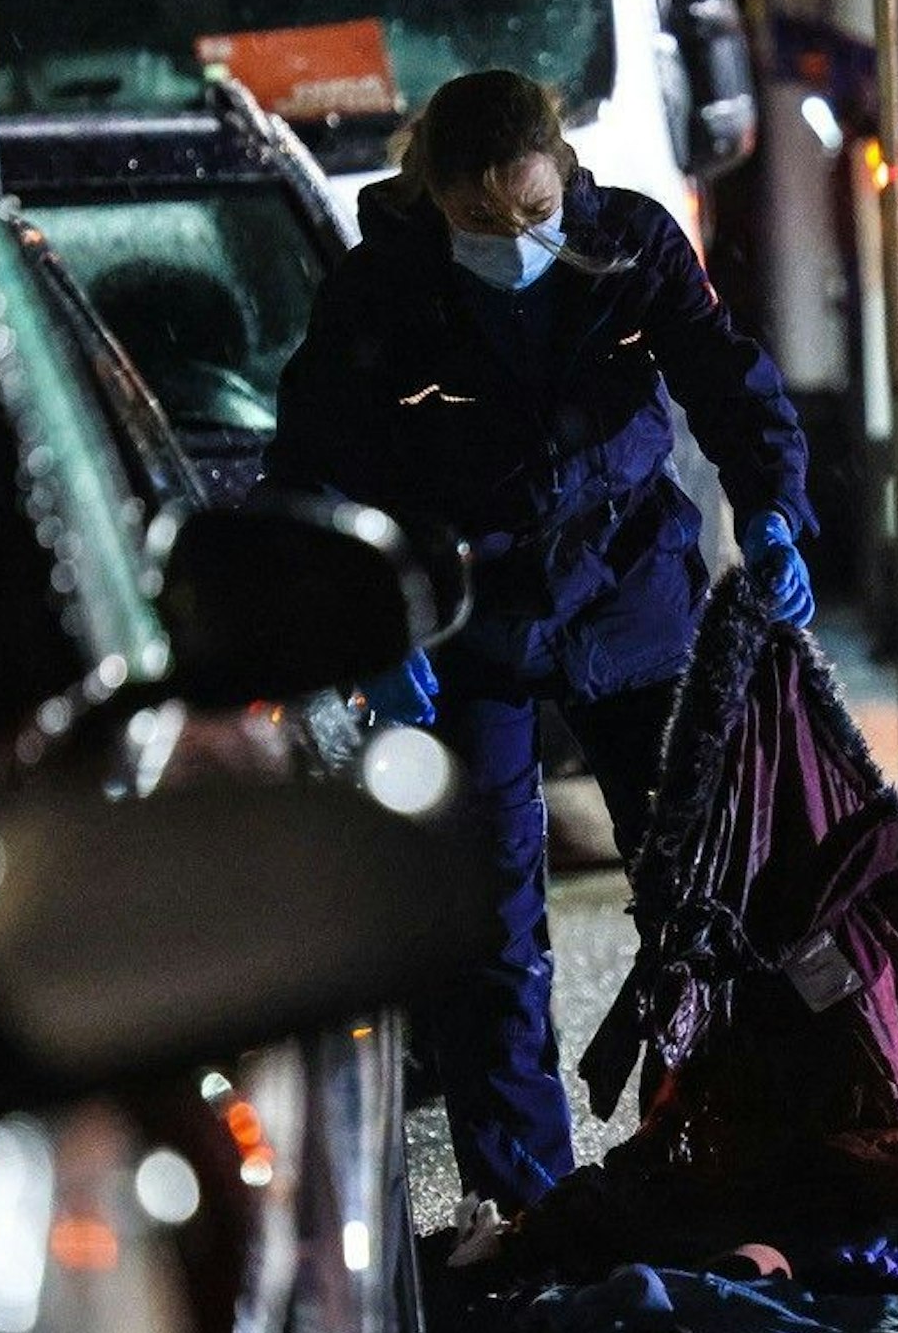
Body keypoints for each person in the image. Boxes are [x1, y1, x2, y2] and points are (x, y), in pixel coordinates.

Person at [267, 69, 817, 1211]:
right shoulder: (383, 290)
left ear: (562, 171)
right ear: (435, 197)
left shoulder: (632, 247)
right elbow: (316, 465)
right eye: (483, 222)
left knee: (701, 898)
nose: (515, 240)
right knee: (488, 934)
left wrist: (771, 507)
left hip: (631, 594)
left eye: (532, 212)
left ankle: (722, 1166)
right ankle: (527, 1207)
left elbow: (728, 382)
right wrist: (367, 621)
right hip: (470, 620)